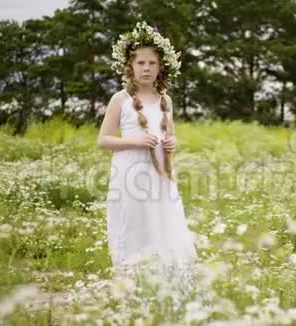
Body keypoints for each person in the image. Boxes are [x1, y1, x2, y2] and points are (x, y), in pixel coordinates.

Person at [97, 22, 198, 292]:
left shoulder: (166, 100)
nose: (146, 68)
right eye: (140, 62)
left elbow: (170, 135)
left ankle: (167, 285)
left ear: (161, 67)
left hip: (160, 175)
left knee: (162, 224)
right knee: (134, 224)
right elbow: (103, 140)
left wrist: (172, 143)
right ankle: (132, 285)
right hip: (130, 173)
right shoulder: (120, 99)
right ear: (130, 66)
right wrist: (136, 141)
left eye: (152, 63)